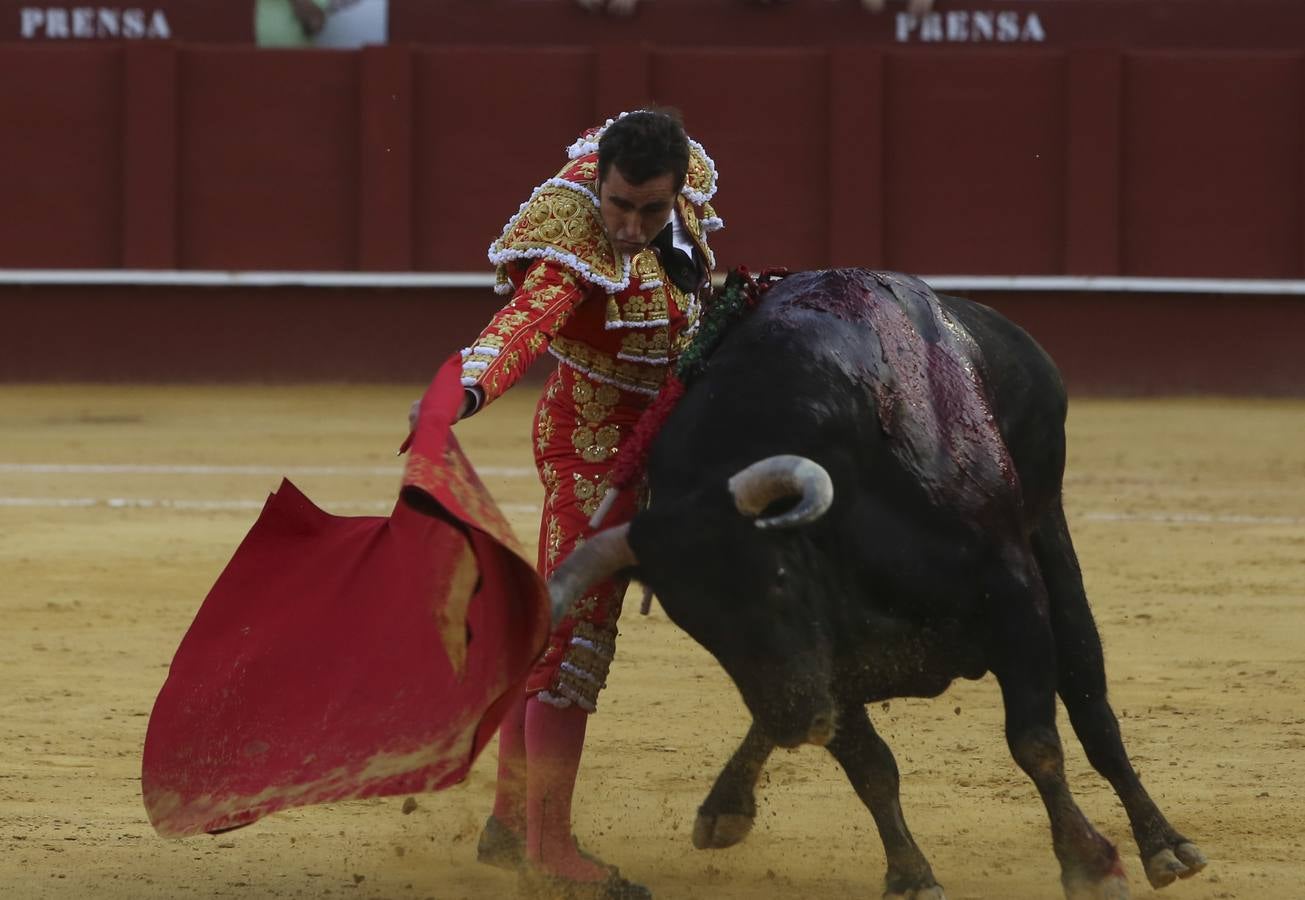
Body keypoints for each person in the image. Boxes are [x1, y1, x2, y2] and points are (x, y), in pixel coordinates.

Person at [437, 109, 722, 899]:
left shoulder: (684, 189)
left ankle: (506, 822)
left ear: (675, 193)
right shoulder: (569, 244)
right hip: (592, 445)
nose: (630, 227)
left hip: (675, 436)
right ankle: (549, 850)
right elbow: (519, 326)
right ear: (597, 180)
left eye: (650, 210)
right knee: (570, 636)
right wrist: (468, 388)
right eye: (618, 204)